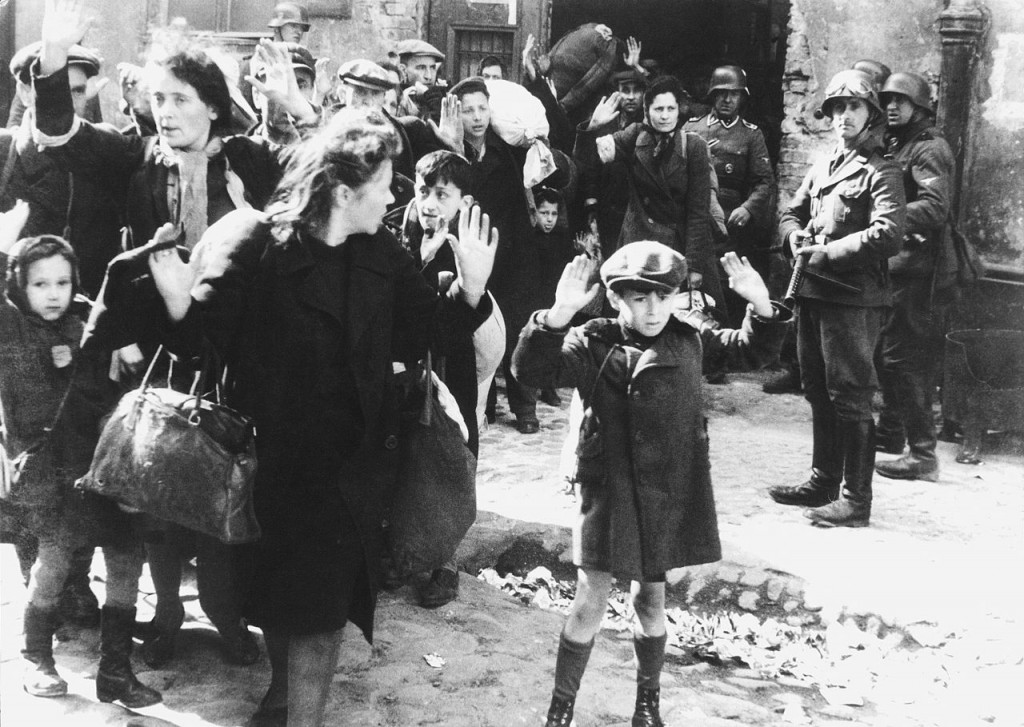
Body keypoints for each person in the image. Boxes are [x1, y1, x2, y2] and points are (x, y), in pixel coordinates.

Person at [138, 107, 497, 727]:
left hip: (350, 466)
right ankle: (281, 697)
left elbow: (423, 332)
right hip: (268, 461)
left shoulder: (380, 251)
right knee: (282, 599)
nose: (395, 195)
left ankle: (299, 716)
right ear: (342, 190)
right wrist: (175, 308)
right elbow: (202, 347)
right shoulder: (258, 245)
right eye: (385, 182)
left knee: (322, 608)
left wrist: (469, 290)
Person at [32, 0, 317, 667]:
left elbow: (319, 182)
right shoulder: (136, 163)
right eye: (158, 98)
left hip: (235, 350)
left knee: (225, 481)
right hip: (156, 353)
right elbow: (58, 138)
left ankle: (222, 612)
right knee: (156, 484)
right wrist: (50, 58)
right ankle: (163, 611)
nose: (165, 110)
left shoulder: (249, 158)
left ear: (213, 106)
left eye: (180, 98)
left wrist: (294, 105)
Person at [511, 241, 789, 727]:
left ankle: (647, 706)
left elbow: (753, 351)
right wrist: (556, 317)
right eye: (640, 298)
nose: (654, 308)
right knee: (589, 599)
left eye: (664, 295)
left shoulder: (691, 339)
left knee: (650, 598)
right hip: (607, 488)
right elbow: (530, 371)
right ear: (618, 299)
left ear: (678, 296)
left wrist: (760, 305)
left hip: (665, 490)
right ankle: (560, 711)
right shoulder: (591, 341)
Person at [0, 203, 161, 708]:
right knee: (53, 562)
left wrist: (119, 344)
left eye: (63, 283)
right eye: (40, 284)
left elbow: (119, 355)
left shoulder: (88, 321)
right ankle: (36, 658)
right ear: (20, 287)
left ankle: (115, 670)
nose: (53, 294)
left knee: (126, 562)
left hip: (104, 464)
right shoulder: (12, 329)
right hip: (53, 467)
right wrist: (5, 243)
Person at [767, 69, 906, 528]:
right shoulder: (825, 164)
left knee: (850, 395)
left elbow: (888, 234)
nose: (843, 116)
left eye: (854, 108)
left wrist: (828, 252)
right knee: (816, 389)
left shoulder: (881, 170)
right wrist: (793, 239)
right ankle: (822, 480)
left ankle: (855, 499)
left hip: (853, 298)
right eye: (837, 109)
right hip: (812, 293)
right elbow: (790, 210)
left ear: (870, 116)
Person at [399, 149, 505, 607]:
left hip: (453, 368)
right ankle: (401, 552)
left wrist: (464, 286)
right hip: (406, 371)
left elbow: (468, 321)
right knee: (406, 459)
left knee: (453, 459)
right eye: (424, 191)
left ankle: (446, 563)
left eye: (442, 194)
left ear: (463, 201)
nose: (429, 203)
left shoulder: (466, 244)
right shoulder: (397, 237)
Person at [443, 76, 543, 433]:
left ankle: (524, 406)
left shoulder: (507, 151)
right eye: (468, 110)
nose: (476, 117)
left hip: (511, 253)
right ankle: (480, 404)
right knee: (474, 331)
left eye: (482, 108)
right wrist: (452, 146)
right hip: (470, 255)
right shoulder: (450, 153)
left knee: (516, 328)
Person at [576, 75, 725, 313]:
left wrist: (695, 265)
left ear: (679, 111)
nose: (664, 116)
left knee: (684, 317)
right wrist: (591, 129)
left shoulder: (694, 146)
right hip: (639, 243)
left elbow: (698, 210)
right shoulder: (635, 136)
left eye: (670, 108)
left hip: (679, 243)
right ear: (648, 111)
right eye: (658, 109)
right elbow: (590, 160)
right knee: (636, 315)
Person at [873, 71, 959, 481]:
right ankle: (890, 434)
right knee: (889, 354)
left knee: (903, 359)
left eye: (901, 101)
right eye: (887, 99)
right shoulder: (899, 142)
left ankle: (923, 455)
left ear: (920, 107)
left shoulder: (929, 148)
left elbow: (935, 206)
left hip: (920, 273)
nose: (892, 107)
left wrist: (887, 218)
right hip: (900, 267)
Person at [683, 65, 775, 328]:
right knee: (692, 279)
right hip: (696, 215)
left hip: (732, 221)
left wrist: (747, 209)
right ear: (712, 95)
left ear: (742, 98)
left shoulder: (751, 134)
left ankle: (727, 341)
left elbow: (764, 181)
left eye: (734, 94)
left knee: (727, 283)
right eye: (722, 93)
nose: (727, 99)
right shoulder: (692, 127)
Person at [395, 39, 447, 120]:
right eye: (421, 68)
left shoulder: (444, 97)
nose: (429, 76)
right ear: (403, 70)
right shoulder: (394, 100)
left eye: (433, 68)